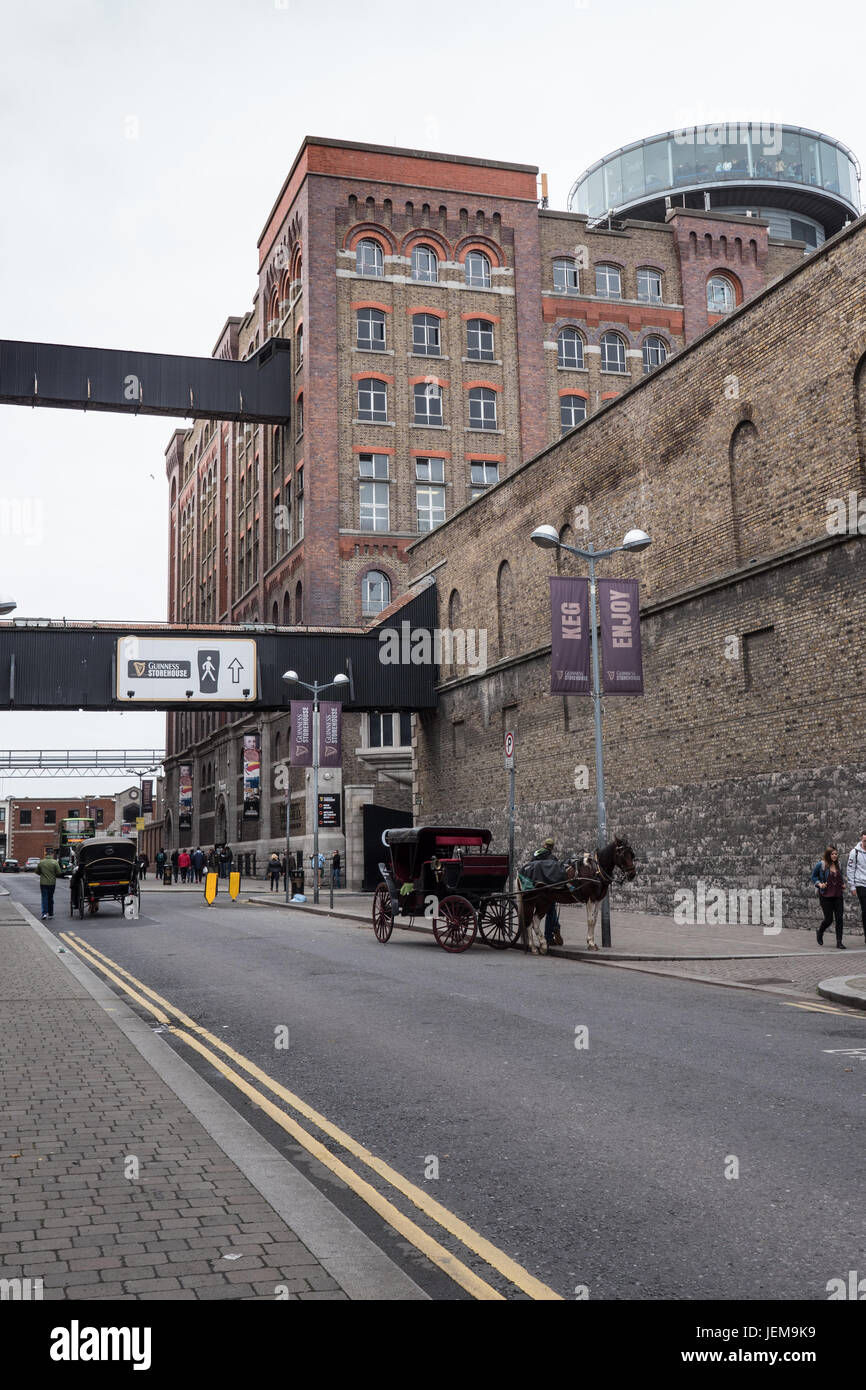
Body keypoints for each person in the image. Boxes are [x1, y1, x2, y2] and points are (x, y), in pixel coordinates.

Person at [812, 846, 845, 948]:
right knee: (829, 919)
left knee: (839, 919)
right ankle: (820, 931)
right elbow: (813, 877)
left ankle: (839, 942)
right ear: (828, 855)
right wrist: (819, 884)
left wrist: (843, 884)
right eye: (832, 854)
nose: (835, 856)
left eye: (836, 854)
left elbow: (840, 877)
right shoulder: (821, 865)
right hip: (826, 896)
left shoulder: (838, 864)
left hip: (838, 896)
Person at [534, 837, 564, 946]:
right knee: (551, 911)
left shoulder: (535, 855)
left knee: (549, 911)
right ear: (552, 848)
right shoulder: (553, 859)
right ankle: (550, 935)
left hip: (535, 887)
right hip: (547, 890)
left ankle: (555, 928)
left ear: (544, 845)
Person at [845, 830, 866, 941]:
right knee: (865, 909)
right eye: (864, 841)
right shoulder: (855, 852)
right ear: (861, 840)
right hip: (861, 884)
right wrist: (852, 886)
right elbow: (850, 869)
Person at [37, 850, 62, 919]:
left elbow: (37, 871)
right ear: (52, 854)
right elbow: (59, 872)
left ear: (46, 854)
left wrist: (42, 874)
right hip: (52, 883)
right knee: (50, 897)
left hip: (43, 883)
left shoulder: (41, 862)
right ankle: (51, 913)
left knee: (44, 897)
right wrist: (53, 874)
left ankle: (44, 913)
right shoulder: (55, 862)